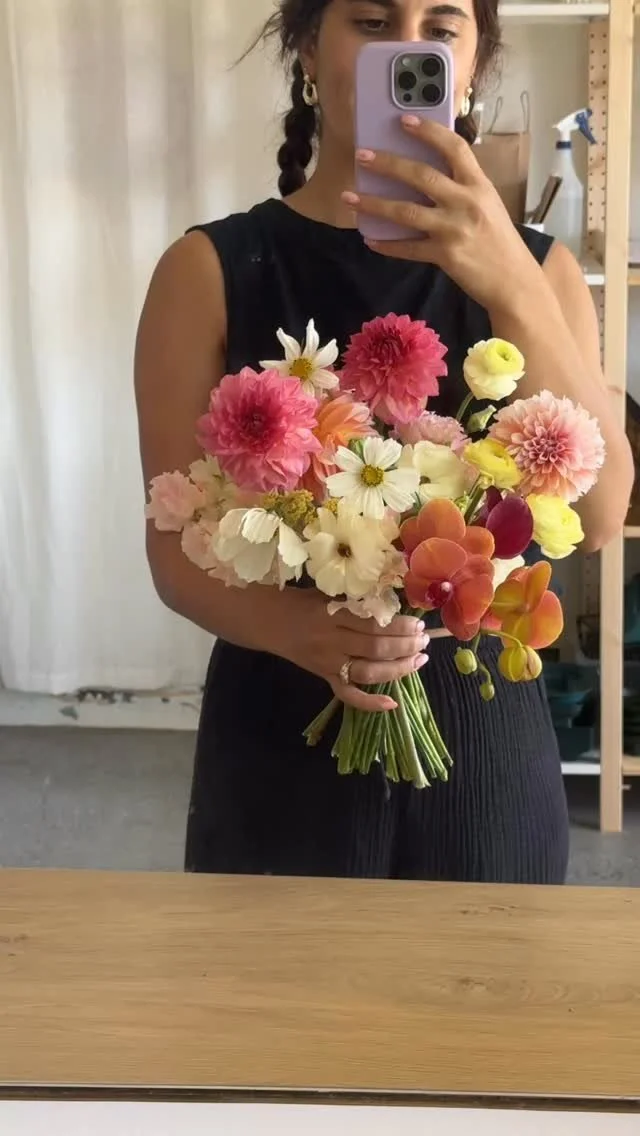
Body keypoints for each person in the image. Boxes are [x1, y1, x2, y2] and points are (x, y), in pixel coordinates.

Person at [134, 0, 633, 883]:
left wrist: (513, 285)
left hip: (483, 744)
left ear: (472, 64)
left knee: (488, 973)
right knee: (269, 976)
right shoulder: (209, 271)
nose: (407, 47)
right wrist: (300, 628)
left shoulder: (542, 272)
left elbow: (597, 517)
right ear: (306, 48)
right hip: (280, 734)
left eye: (440, 29)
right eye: (370, 20)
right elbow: (175, 551)